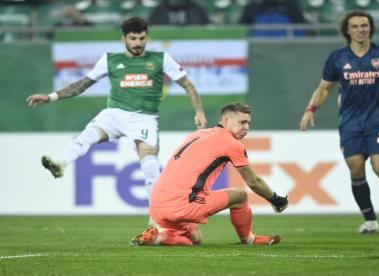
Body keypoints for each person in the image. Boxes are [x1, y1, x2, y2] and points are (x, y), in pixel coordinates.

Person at [26, 17, 208, 227]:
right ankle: (61, 163)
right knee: (87, 135)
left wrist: (199, 112)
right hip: (114, 114)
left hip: (144, 117)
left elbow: (188, 84)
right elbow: (82, 84)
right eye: (133, 38)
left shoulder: (161, 58)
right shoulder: (109, 59)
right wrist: (51, 97)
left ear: (146, 37)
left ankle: (157, 219)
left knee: (149, 163)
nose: (138, 43)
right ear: (124, 39)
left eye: (141, 38)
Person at [299, 10, 379, 234]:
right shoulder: (337, 58)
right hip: (350, 124)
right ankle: (370, 220)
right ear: (347, 31)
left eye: (364, 25)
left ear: (370, 28)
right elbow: (325, 88)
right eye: (355, 26)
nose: (360, 30)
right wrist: (310, 109)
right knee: (356, 170)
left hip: (377, 120)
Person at [131, 103, 288, 246]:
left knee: (195, 239)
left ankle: (159, 237)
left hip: (157, 203)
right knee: (240, 197)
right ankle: (249, 239)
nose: (246, 127)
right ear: (226, 120)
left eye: (248, 123)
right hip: (183, 204)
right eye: (242, 122)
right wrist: (275, 199)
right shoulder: (233, 144)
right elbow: (253, 181)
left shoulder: (198, 134)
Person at [239, 0, 308, 37]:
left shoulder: (291, 5)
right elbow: (241, 31)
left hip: (285, 51)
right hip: (257, 50)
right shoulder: (252, 7)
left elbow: (301, 29)